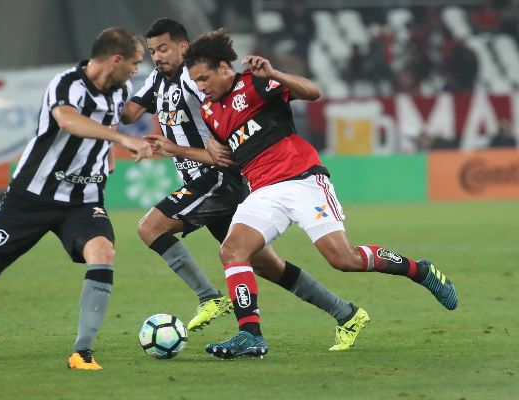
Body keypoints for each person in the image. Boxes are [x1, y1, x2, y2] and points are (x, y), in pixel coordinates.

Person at [184, 29, 458, 359]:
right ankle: (250, 335)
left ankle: (420, 270)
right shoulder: (209, 111)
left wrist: (273, 73)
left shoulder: (255, 83)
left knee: (344, 260)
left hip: (302, 180)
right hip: (263, 191)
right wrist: (209, 147)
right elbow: (228, 150)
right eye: (195, 81)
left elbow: (314, 92)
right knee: (232, 252)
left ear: (225, 68)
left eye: (203, 78)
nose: (200, 87)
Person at [121, 18, 369, 351]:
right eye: (151, 51)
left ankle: (210, 298)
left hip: (216, 179)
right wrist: (109, 83)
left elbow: (223, 149)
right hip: (207, 182)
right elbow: (128, 114)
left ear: (184, 47)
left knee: (150, 227)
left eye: (163, 48)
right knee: (268, 265)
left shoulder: (195, 82)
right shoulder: (155, 80)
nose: (157, 56)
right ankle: (346, 313)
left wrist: (184, 147)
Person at [0, 27, 151, 371]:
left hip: (83, 198)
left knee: (103, 252)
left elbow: (104, 126)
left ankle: (82, 350)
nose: (137, 70)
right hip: (31, 197)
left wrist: (107, 153)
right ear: (116, 59)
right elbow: (67, 120)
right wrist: (123, 139)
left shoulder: (122, 90)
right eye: (135, 63)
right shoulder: (66, 84)